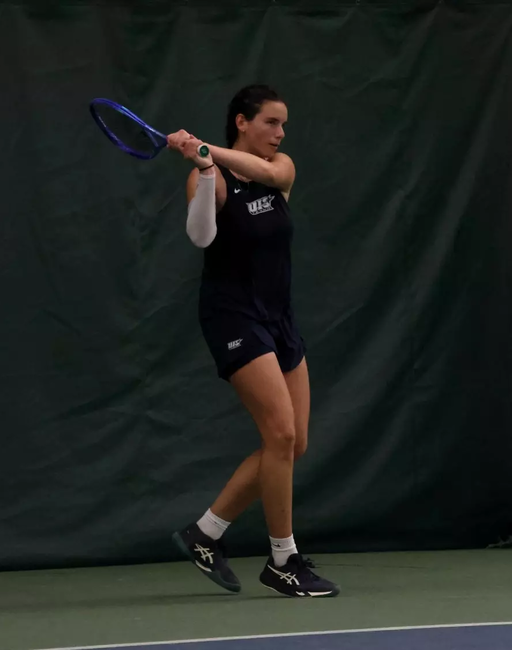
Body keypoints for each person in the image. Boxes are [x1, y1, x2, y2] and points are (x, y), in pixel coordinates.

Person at [165, 85, 339, 598]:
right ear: (242, 122)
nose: (280, 133)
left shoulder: (279, 168)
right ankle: (283, 559)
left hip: (279, 317)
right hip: (233, 317)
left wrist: (202, 147)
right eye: (271, 123)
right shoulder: (210, 175)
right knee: (280, 435)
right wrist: (201, 168)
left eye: (283, 124)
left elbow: (268, 174)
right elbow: (201, 237)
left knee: (293, 442)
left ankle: (206, 531)